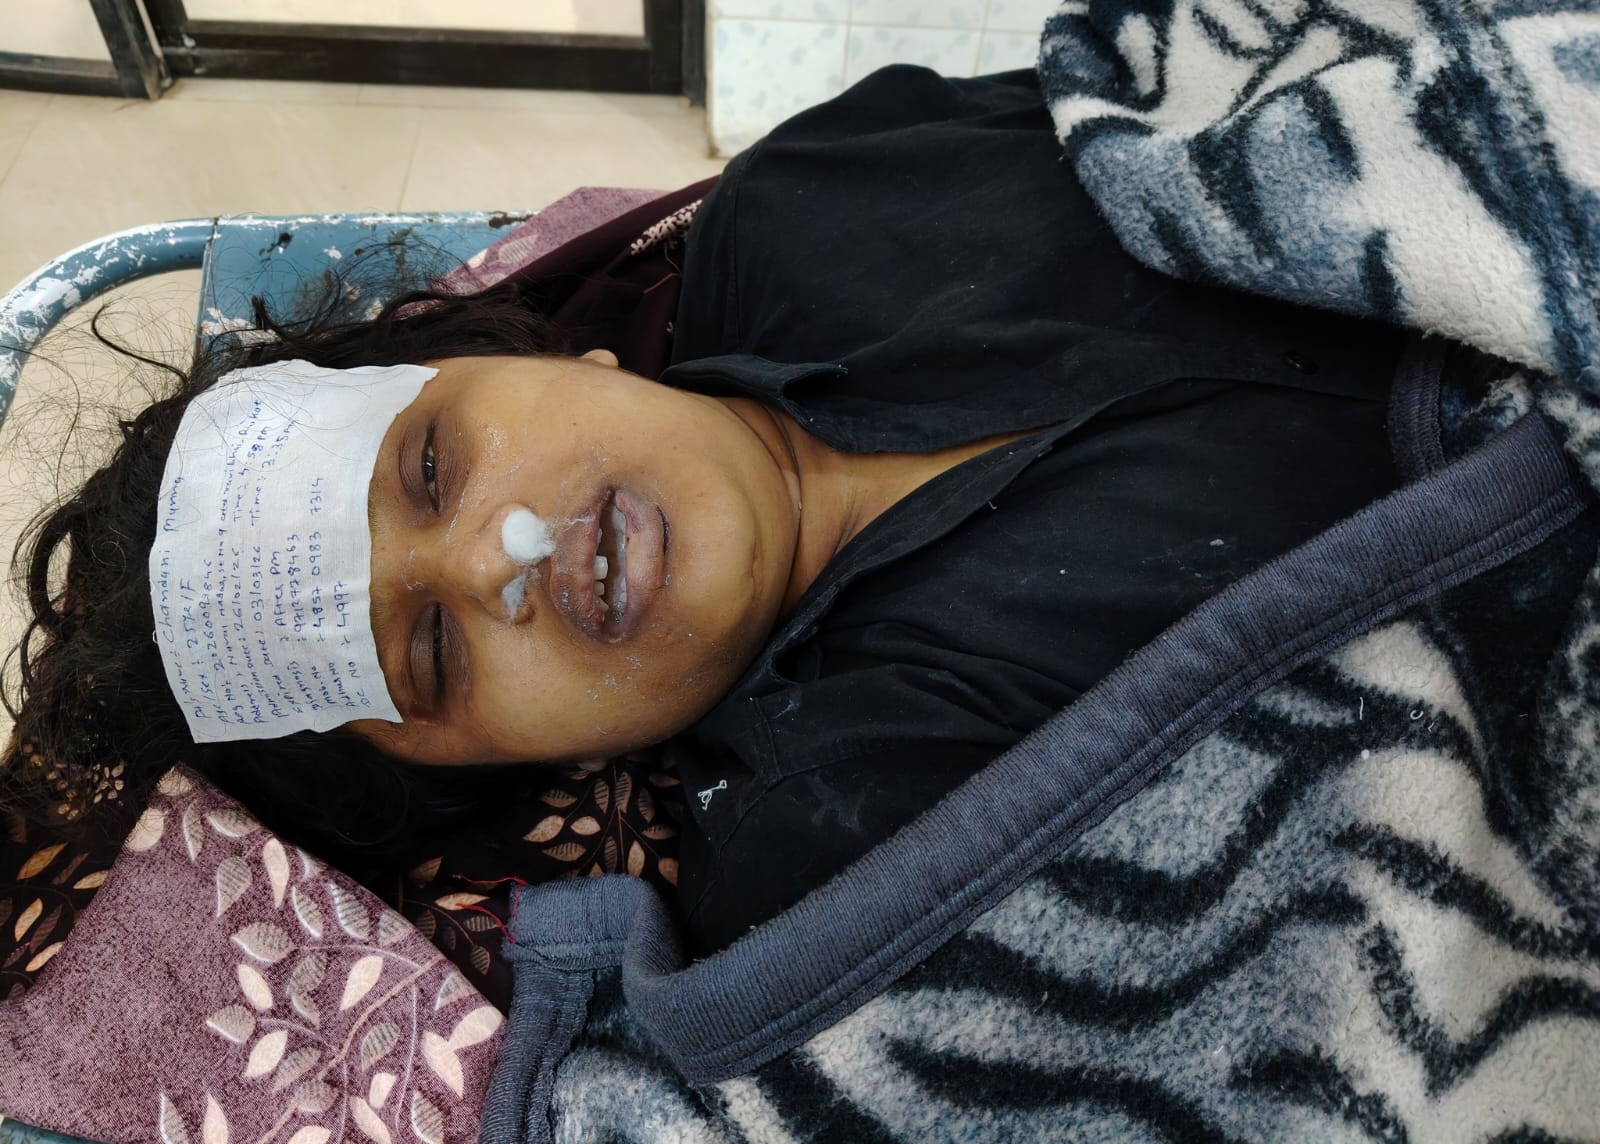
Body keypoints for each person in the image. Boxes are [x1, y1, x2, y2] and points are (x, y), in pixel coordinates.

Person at [1, 66, 1427, 956]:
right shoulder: (854, 846)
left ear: (545, 356)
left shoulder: (818, 196)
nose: (497, 560)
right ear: (529, 764)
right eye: (431, 650)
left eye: (431, 467)